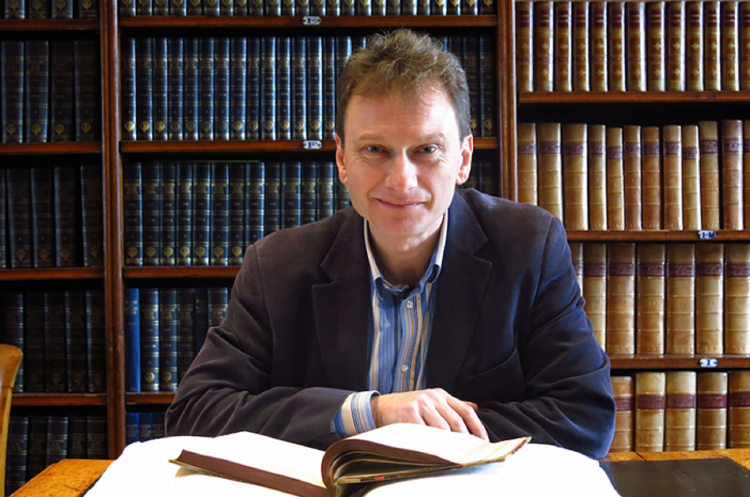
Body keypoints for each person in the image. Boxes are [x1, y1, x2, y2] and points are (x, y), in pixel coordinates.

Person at [165, 29, 616, 459]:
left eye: (427, 150)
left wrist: (419, 436)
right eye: (375, 150)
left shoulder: (529, 248)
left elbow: (584, 416)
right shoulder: (277, 265)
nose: (402, 181)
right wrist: (371, 413)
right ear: (342, 160)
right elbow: (195, 414)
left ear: (463, 159)